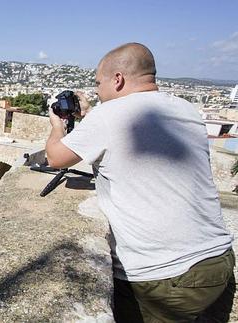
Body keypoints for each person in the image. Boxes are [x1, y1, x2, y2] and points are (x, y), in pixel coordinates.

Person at [46, 43, 235, 322]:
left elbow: (55, 157)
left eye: (99, 83)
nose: (97, 91)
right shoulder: (186, 109)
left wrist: (57, 125)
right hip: (218, 261)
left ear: (118, 79)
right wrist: (89, 115)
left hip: (166, 275)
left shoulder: (107, 116)